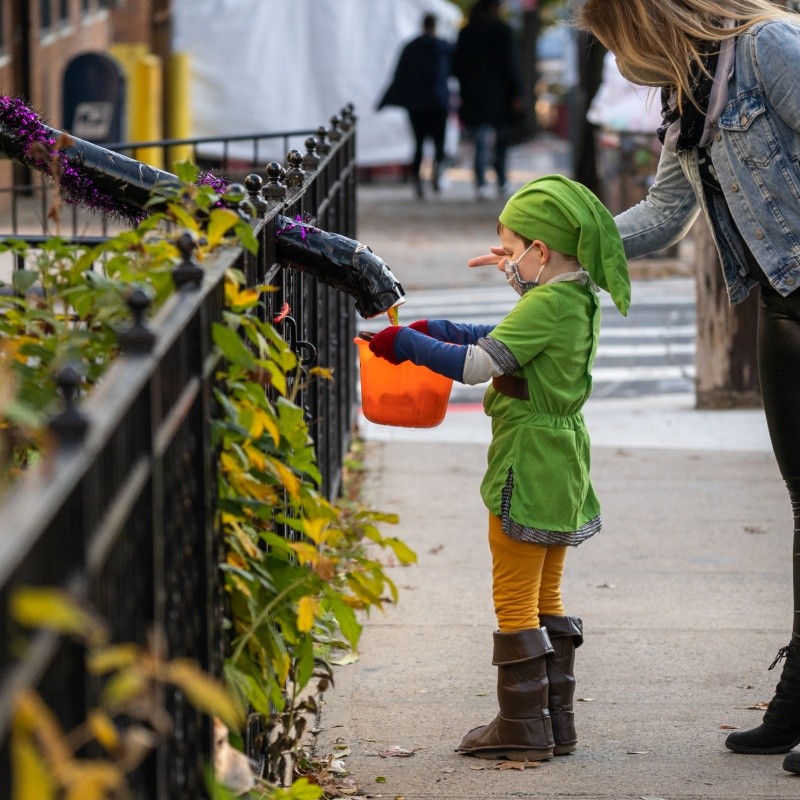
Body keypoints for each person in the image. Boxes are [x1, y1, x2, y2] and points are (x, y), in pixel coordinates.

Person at [575, 0, 800, 775]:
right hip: (781, 303)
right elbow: (668, 212)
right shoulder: (690, 85)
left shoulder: (769, 47)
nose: (615, 61)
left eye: (612, 40)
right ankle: (798, 696)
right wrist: (560, 251)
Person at [367, 175, 631, 761]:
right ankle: (555, 722)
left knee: (513, 595)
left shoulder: (546, 302)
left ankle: (520, 727)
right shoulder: (577, 297)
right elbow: (507, 344)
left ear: (540, 252)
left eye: (512, 253)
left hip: (526, 462)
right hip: (564, 465)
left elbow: (477, 366)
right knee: (548, 592)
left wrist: (405, 345)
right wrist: (436, 330)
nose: (505, 263)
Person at [451, 0, 523, 200]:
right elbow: (511, 65)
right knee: (500, 140)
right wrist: (517, 93)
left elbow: (456, 66)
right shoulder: (503, 31)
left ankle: (481, 182)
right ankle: (501, 180)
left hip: (473, 95)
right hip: (500, 95)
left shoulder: (466, 33)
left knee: (480, 141)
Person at [377, 13, 453, 199]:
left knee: (418, 144)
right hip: (438, 103)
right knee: (439, 143)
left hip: (417, 105)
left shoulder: (411, 47)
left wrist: (388, 99)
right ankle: (437, 174)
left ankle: (418, 181)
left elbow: (399, 75)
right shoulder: (443, 47)